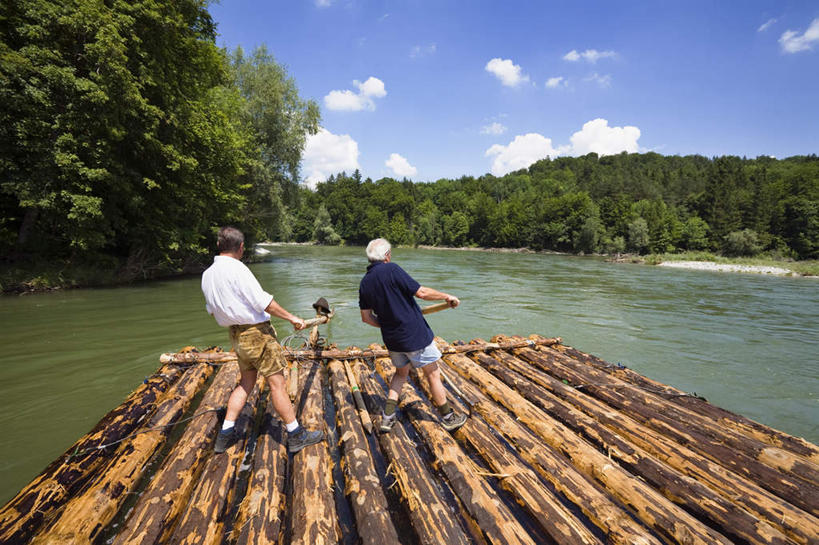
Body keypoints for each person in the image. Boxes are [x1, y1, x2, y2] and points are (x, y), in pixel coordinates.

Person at [201, 226, 324, 453]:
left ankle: (225, 435)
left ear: (219, 245)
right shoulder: (238, 269)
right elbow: (264, 302)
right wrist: (292, 318)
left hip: (236, 335)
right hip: (257, 335)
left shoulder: (208, 274)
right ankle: (296, 435)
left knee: (246, 383)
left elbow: (212, 310)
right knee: (277, 385)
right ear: (241, 247)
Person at [358, 238, 467, 433]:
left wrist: (389, 325)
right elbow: (422, 292)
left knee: (401, 374)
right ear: (387, 255)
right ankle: (448, 417)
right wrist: (447, 296)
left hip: (392, 340)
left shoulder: (365, 282)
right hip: (414, 336)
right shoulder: (392, 269)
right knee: (432, 374)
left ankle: (387, 418)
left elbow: (366, 318)